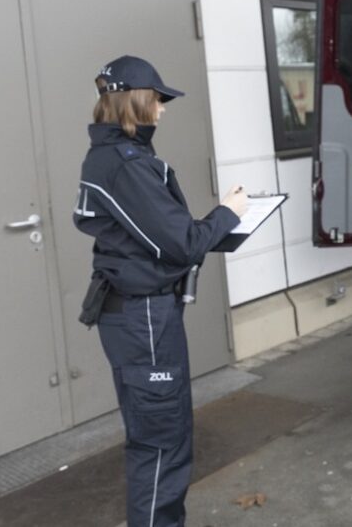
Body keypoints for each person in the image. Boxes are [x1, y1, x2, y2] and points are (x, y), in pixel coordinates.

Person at [73, 55, 248, 527]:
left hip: (138, 317)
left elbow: (163, 238)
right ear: (135, 102)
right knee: (161, 446)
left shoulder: (116, 158)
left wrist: (215, 227)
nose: (164, 110)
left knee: (156, 440)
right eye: (158, 100)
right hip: (143, 320)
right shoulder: (126, 165)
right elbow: (184, 242)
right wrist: (228, 213)